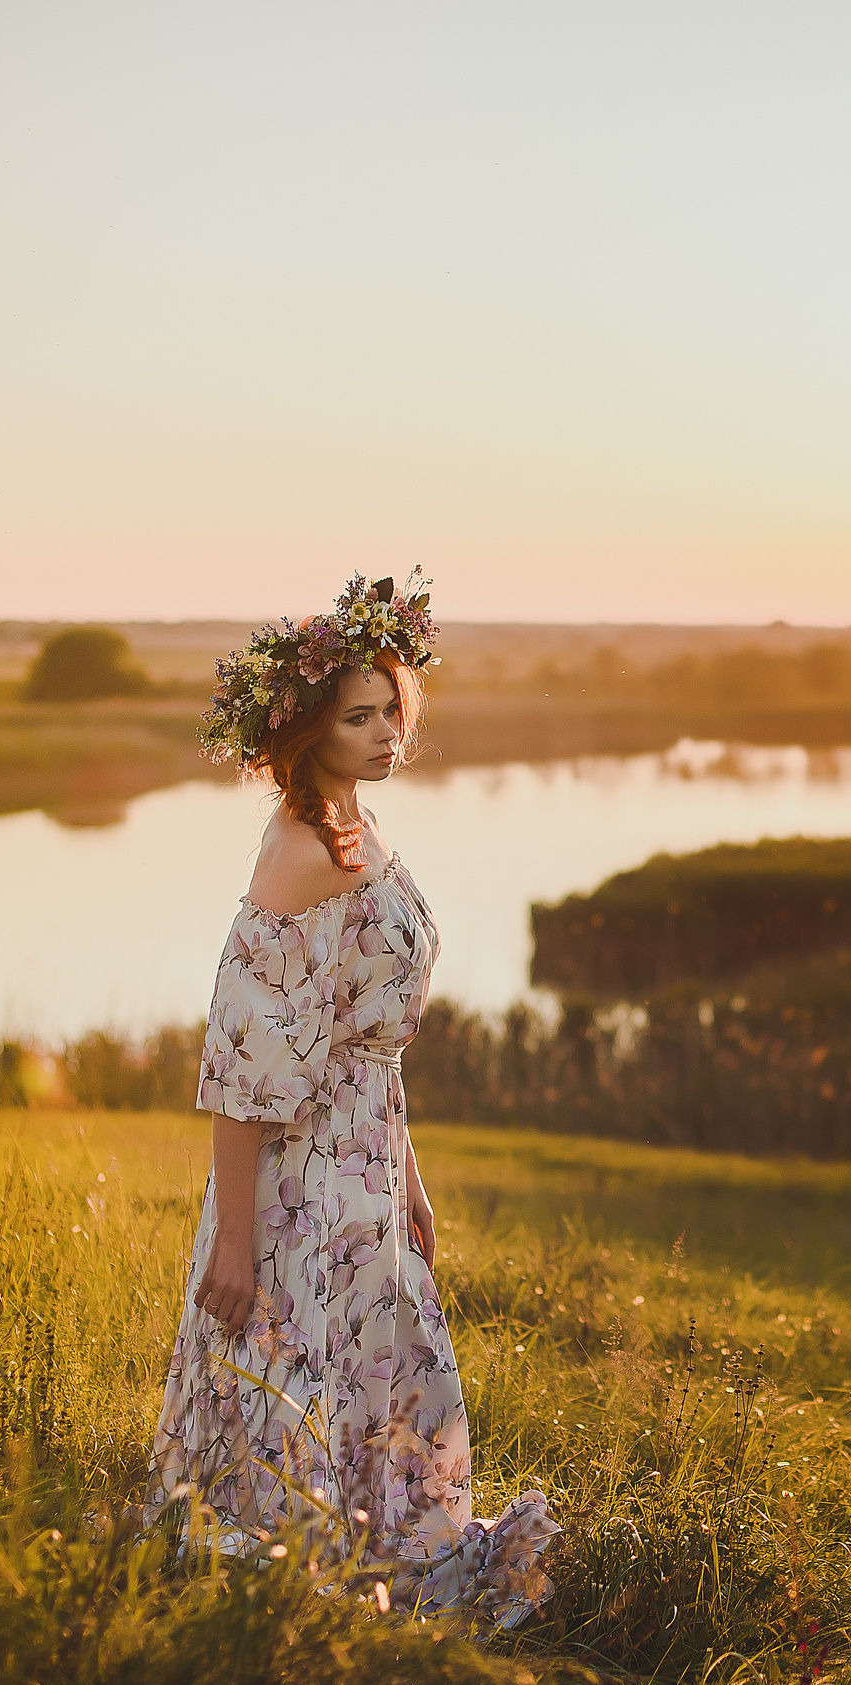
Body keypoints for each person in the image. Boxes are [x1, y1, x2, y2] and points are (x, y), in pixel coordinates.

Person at [145, 575, 556, 1625]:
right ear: (307, 726)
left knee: (381, 1370)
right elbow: (240, 1067)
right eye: (358, 715)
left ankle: (368, 1577)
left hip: (367, 1168)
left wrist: (408, 1173)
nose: (385, 733)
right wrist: (233, 1240)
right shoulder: (293, 851)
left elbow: (374, 1040)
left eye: (391, 711)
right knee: (294, 1376)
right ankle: (275, 1595)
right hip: (297, 1183)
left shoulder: (361, 825)